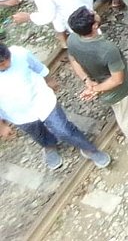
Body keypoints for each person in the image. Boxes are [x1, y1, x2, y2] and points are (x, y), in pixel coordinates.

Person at [0, 43, 111, 171]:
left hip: (42, 100)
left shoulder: (19, 53)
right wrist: (2, 126)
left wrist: (50, 80)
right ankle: (49, 145)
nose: (8, 64)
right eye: (2, 64)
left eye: (8, 59)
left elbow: (38, 67)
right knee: (37, 133)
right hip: (18, 115)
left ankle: (89, 149)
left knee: (63, 129)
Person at [66, 8, 128, 146]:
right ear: (94, 26)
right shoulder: (107, 50)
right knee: (127, 116)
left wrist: (88, 81)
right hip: (119, 91)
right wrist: (95, 89)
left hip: (97, 83)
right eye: (93, 14)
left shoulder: (72, 39)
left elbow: (73, 60)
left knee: (121, 111)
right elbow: (117, 79)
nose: (94, 11)